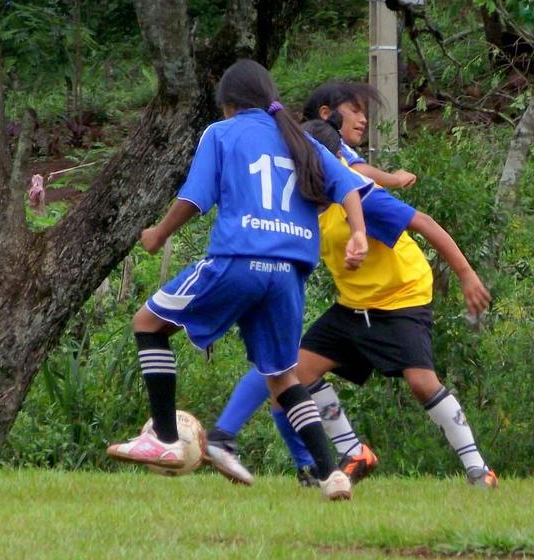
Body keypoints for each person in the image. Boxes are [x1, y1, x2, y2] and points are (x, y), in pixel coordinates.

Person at [105, 59, 371, 501]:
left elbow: (194, 197)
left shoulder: (221, 133)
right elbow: (348, 186)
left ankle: (166, 441)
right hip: (287, 274)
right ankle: (331, 475)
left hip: (238, 259)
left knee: (147, 325)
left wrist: (157, 235)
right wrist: (358, 233)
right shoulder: (300, 139)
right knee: (284, 378)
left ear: (228, 105)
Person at [207, 117, 497, 489]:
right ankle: (354, 452)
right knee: (297, 372)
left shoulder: (361, 197)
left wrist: (466, 275)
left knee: (422, 383)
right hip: (353, 306)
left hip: (400, 299)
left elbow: (423, 222)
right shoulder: (306, 200)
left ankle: (478, 468)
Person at [205, 81, 419, 486]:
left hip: (301, 264)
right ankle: (310, 463)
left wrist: (386, 181)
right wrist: (388, 180)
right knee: (283, 370)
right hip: (284, 255)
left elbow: (357, 173)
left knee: (282, 369)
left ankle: (252, 444)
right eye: (354, 109)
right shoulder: (311, 145)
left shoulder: (315, 147)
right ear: (327, 114)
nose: (363, 118)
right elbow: (353, 173)